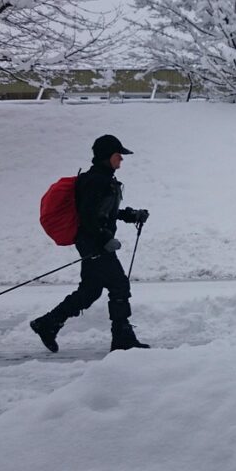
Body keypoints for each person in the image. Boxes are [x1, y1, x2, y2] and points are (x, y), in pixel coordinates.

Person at [30, 134, 151, 352]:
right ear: (108, 156)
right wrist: (105, 238)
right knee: (119, 285)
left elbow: (102, 212)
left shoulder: (103, 178)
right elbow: (88, 216)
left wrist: (130, 215)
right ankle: (122, 338)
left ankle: (48, 323)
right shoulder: (96, 180)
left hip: (93, 241)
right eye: (118, 156)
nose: (121, 160)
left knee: (90, 290)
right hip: (94, 243)